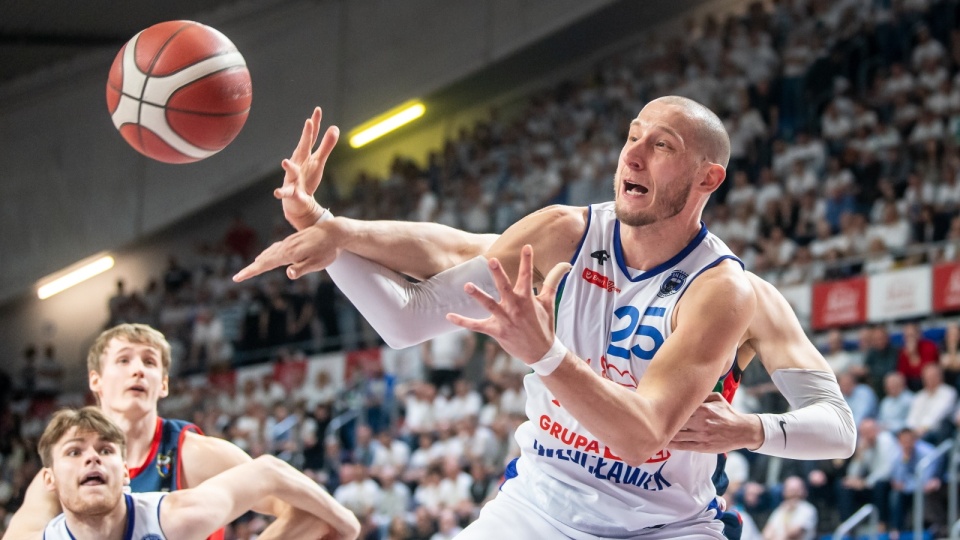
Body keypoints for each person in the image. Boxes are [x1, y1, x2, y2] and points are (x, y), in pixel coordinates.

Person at [240, 101, 855, 536]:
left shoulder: (728, 292)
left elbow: (645, 437)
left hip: (661, 526)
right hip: (538, 506)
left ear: (708, 178)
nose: (632, 156)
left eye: (660, 145)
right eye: (632, 136)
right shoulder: (566, 231)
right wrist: (325, 231)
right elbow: (411, 313)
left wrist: (752, 430)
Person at [5, 323, 350, 540]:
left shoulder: (197, 452)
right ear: (95, 380)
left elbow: (308, 512)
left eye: (150, 362)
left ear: (164, 384)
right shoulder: (65, 473)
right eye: (124, 360)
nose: (138, 370)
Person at [18, 406, 358, 540]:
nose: (91, 459)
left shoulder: (177, 516)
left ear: (125, 472)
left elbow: (268, 470)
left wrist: (347, 523)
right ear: (49, 480)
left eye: (105, 450)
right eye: (75, 452)